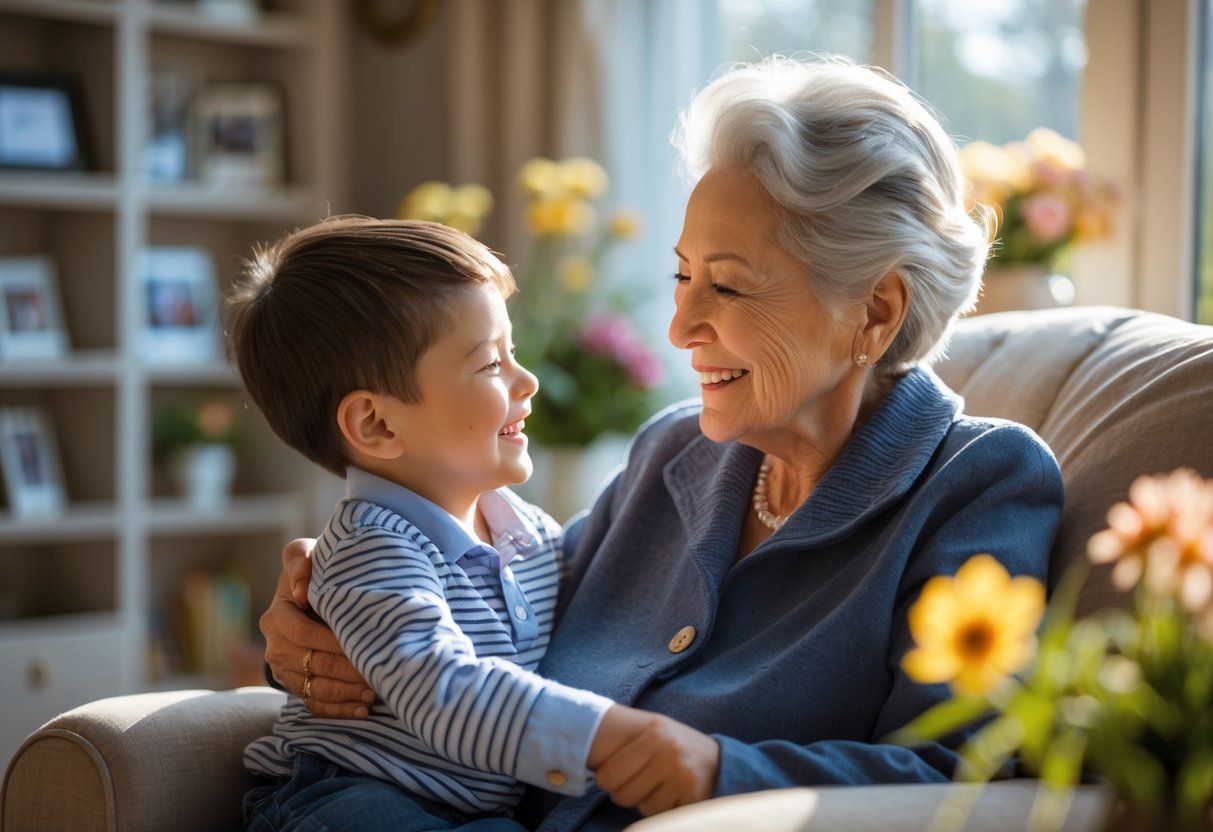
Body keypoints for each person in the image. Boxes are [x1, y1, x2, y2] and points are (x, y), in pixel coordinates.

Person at [259, 56, 1065, 830]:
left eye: (727, 284)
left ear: (875, 311)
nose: (680, 327)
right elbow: (488, 623)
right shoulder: (673, 452)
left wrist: (722, 773)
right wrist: (317, 616)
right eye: (683, 277)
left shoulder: (977, 483)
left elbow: (971, 783)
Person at [226, 216, 719, 832]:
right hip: (347, 800)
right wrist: (611, 737)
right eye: (491, 364)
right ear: (377, 425)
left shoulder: (532, 535)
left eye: (512, 352)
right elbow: (446, 689)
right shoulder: (372, 548)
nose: (528, 379)